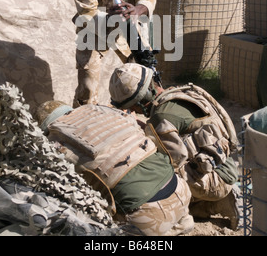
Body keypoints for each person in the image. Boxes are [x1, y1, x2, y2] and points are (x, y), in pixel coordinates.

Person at [109, 63, 242, 230]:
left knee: (154, 178)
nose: (133, 110)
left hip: (216, 178)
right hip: (225, 164)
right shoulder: (179, 93)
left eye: (132, 106)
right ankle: (210, 202)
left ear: (141, 100)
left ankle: (219, 201)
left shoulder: (161, 117)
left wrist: (143, 134)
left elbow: (168, 164)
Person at [36, 101, 194, 236]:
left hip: (146, 217)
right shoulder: (100, 112)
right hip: (181, 189)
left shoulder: (55, 143)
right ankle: (182, 220)